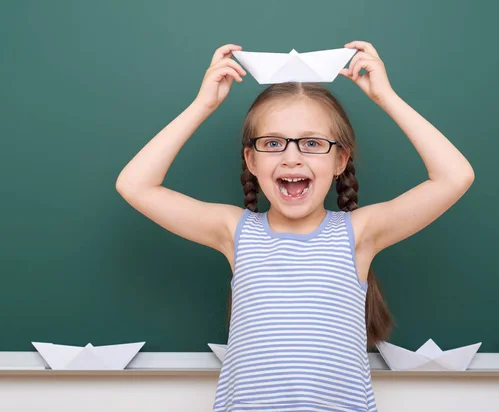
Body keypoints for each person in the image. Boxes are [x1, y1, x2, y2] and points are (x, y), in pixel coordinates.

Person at [116, 41, 475, 411]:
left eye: (312, 143)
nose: (291, 158)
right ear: (250, 160)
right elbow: (135, 185)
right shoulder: (235, 232)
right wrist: (202, 105)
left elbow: (454, 176)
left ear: (340, 160)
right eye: (272, 143)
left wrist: (386, 97)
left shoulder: (358, 234)